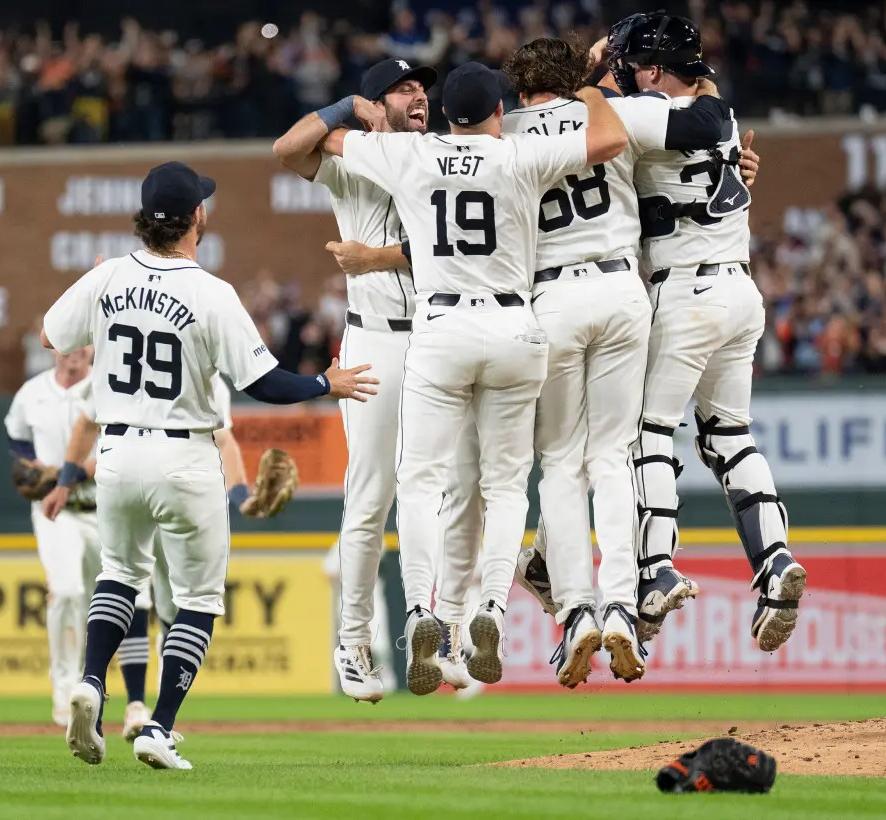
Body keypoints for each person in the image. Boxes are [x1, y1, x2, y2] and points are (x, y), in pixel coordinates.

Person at [41, 161, 376, 770]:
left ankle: (91, 681)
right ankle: (158, 727)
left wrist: (99, 296)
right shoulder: (211, 292)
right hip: (186, 452)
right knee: (196, 600)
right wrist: (327, 381)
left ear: (145, 219)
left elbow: (50, 338)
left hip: (115, 451)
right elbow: (267, 384)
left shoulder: (109, 276)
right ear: (198, 217)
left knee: (118, 574)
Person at [318, 61, 629, 689]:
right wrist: (594, 90)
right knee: (505, 488)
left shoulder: (414, 156)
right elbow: (609, 140)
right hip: (515, 329)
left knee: (420, 482)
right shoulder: (517, 154)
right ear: (496, 112)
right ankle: (490, 606)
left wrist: (364, 118)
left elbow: (327, 141)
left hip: (441, 332)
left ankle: (418, 610)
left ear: (446, 114)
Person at [499, 35, 743, 688]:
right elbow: (699, 131)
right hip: (619, 290)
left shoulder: (507, 133)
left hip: (551, 297)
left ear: (521, 88)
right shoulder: (611, 112)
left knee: (562, 469)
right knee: (613, 459)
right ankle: (620, 608)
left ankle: (576, 614)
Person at [273, 58, 482, 700]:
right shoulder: (350, 159)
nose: (421, 96)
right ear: (375, 104)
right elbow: (286, 149)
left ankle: (447, 627)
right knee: (369, 499)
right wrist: (343, 109)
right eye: (404, 89)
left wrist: (381, 257)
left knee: (461, 490)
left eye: (424, 88)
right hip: (375, 337)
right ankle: (355, 644)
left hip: (442, 334)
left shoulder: (449, 155)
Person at [610, 12, 806, 653]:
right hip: (740, 290)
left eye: (639, 63)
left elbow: (600, 113)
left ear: (657, 68)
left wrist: (593, 71)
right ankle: (775, 561)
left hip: (686, 290)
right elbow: (705, 111)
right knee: (728, 437)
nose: (630, 73)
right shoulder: (715, 107)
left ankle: (655, 569)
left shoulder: (647, 111)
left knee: (649, 432)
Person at [45, 372, 249, 683]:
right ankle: (158, 715)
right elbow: (224, 439)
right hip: (184, 488)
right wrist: (242, 497)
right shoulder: (205, 374)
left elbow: (86, 423)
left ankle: (93, 682)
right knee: (187, 600)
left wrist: (63, 482)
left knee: (120, 578)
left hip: (122, 481)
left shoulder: (118, 359)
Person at [3, 347, 153, 737]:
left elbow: (124, 446)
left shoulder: (111, 387)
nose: (74, 355)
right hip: (57, 513)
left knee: (116, 601)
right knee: (67, 592)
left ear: (93, 348)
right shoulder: (31, 394)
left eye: (82, 346)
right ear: (52, 351)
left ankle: (113, 693)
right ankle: (65, 685)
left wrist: (67, 474)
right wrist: (34, 469)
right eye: (65, 347)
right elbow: (17, 440)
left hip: (105, 509)